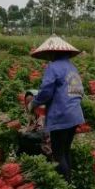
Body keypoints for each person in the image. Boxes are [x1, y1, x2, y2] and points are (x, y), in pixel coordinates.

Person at [28, 35, 84, 181]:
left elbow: (46, 91)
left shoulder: (53, 67)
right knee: (66, 150)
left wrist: (34, 103)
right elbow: (80, 92)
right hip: (74, 114)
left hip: (61, 115)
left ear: (53, 53)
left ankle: (64, 184)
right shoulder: (72, 68)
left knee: (58, 153)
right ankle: (69, 183)